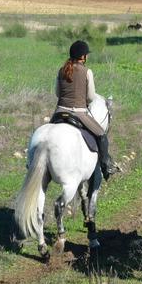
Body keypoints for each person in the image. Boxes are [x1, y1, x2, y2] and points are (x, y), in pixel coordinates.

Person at [54, 40, 121, 180]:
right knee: (102, 135)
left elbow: (57, 94)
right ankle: (105, 166)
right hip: (78, 112)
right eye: (86, 55)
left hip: (59, 112)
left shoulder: (61, 70)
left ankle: (31, 163)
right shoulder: (87, 71)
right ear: (83, 57)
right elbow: (90, 97)